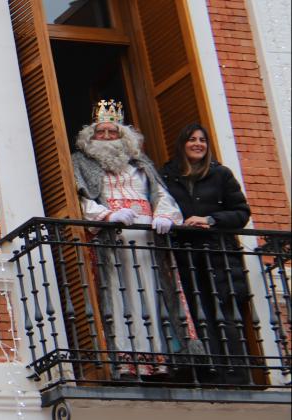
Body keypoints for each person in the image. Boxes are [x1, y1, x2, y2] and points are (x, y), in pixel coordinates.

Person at [72, 99, 198, 379]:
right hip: (111, 239)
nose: (106, 137)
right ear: (90, 137)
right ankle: (126, 362)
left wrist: (165, 215)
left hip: (146, 238)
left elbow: (161, 194)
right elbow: (79, 199)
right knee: (119, 295)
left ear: (123, 137)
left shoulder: (141, 165)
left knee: (151, 294)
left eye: (112, 132)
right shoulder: (81, 163)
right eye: (100, 132)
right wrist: (106, 215)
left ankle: (156, 361)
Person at [159, 123, 254, 385]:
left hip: (218, 254)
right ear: (182, 144)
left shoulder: (221, 174)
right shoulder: (166, 175)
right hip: (184, 255)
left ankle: (235, 376)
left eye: (203, 140)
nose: (198, 144)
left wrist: (211, 219)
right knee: (195, 314)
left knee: (224, 313)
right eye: (192, 139)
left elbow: (241, 213)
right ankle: (208, 374)